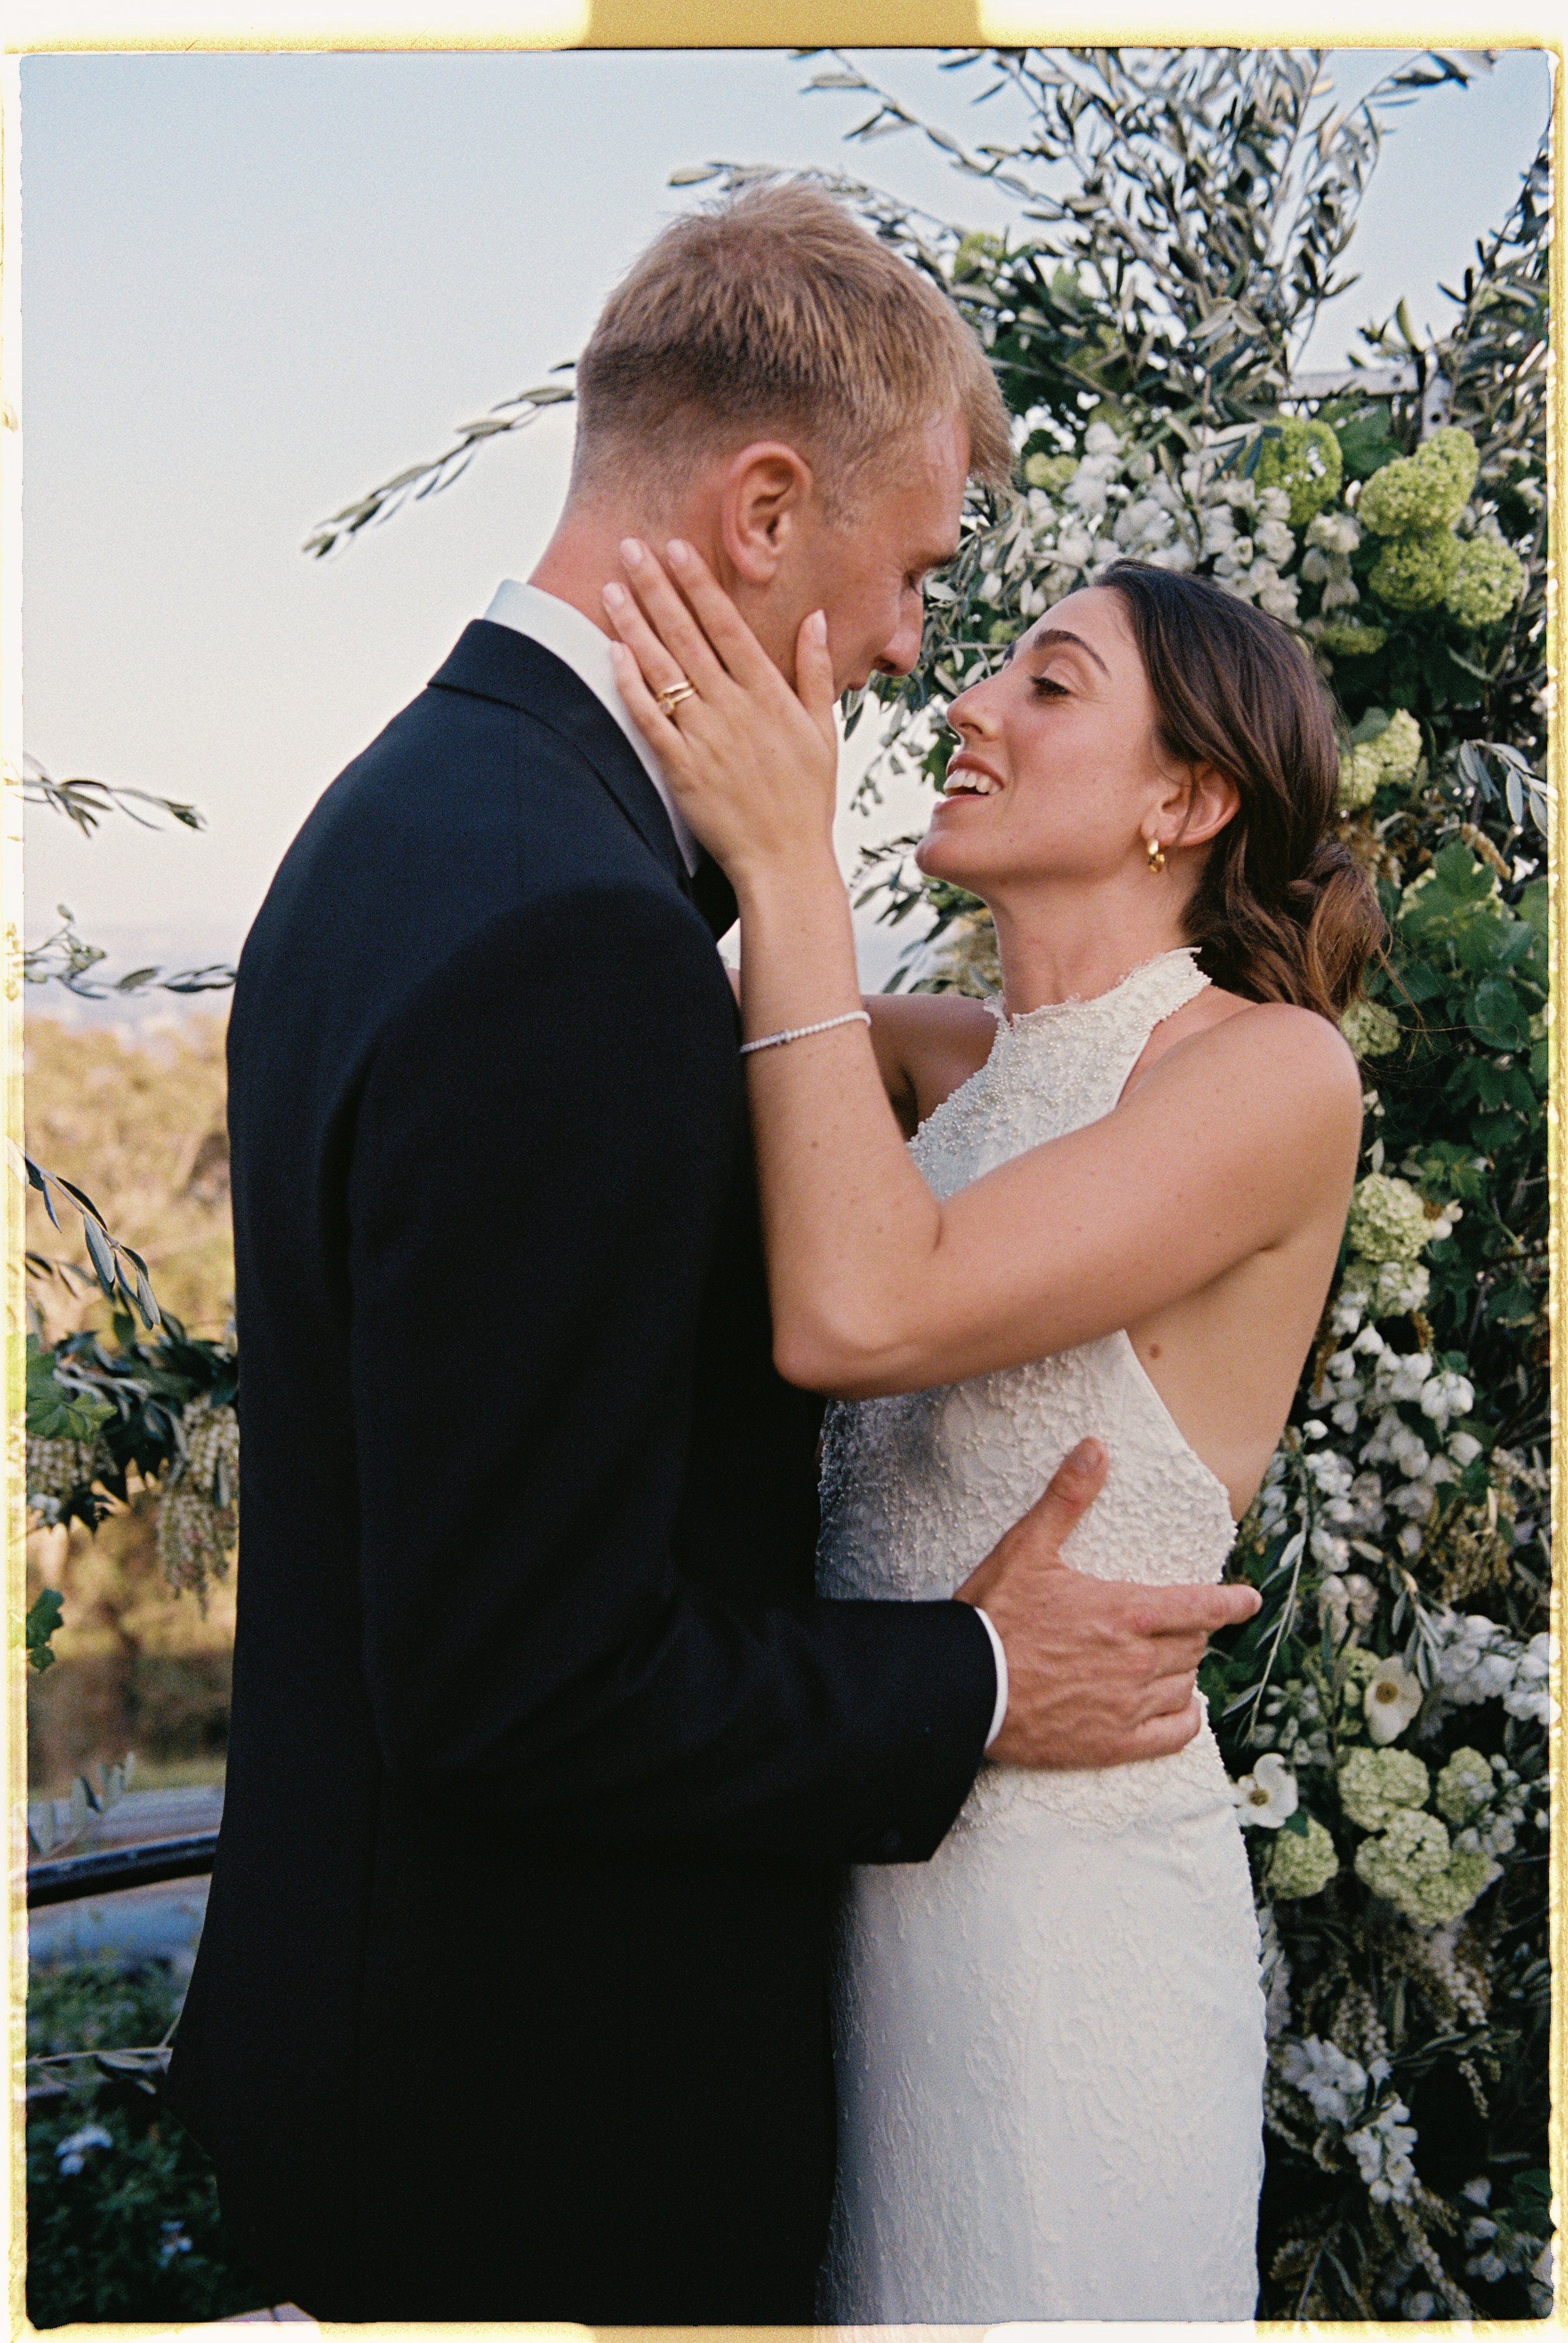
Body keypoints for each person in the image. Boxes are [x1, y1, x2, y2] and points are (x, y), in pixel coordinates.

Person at [162, 184, 1261, 2323]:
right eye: (920, 574)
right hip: (534, 2140)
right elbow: (517, 1676)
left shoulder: (410, 815)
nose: (908, 652)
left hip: (442, 2070)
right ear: (766, 509)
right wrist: (981, 1677)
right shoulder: (574, 929)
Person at [605, 541, 1382, 2319]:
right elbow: (659, 1035)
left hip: (1066, 1938)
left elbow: (858, 1312)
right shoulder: (944, 1068)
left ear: (1183, 799)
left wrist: (789, 853)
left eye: (1046, 683)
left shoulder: (1263, 1075)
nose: (963, 705)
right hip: (855, 1875)